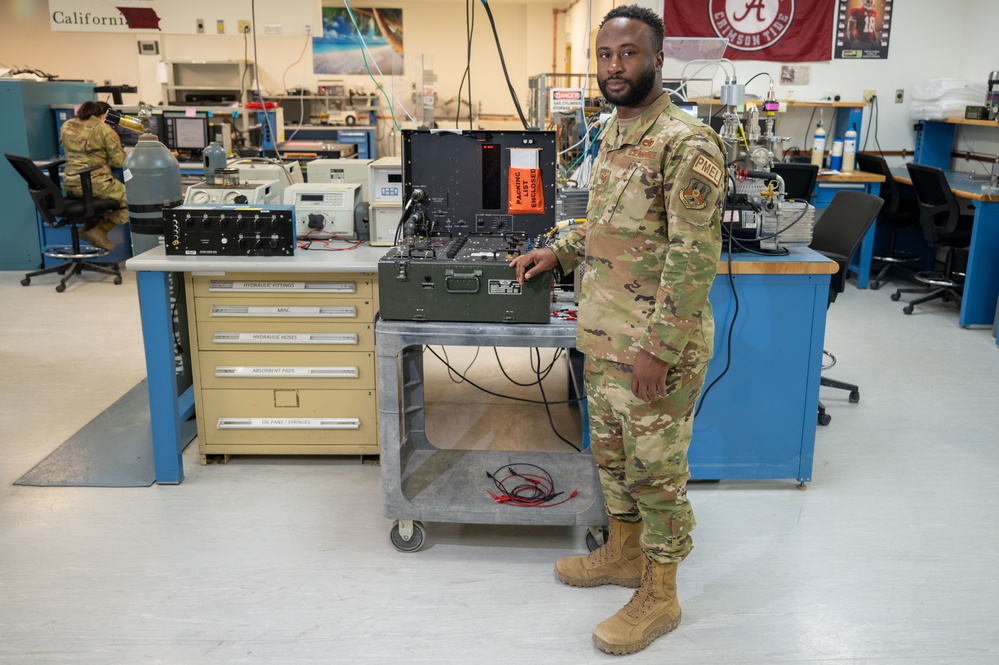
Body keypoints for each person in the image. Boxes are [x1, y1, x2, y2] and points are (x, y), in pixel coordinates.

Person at [510, 4, 726, 656]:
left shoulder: (686, 143)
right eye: (604, 55)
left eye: (627, 54)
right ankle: (624, 555)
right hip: (603, 337)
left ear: (655, 58)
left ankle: (659, 594)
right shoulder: (616, 129)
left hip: (653, 346)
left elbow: (692, 262)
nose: (613, 66)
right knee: (613, 463)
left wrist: (659, 350)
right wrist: (562, 251)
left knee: (656, 475)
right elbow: (608, 222)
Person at [59, 100, 128, 251]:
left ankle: (88, 230)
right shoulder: (103, 130)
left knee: (106, 201)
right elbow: (119, 161)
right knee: (132, 199)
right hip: (96, 185)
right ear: (104, 115)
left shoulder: (67, 125)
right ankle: (100, 229)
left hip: (69, 186)